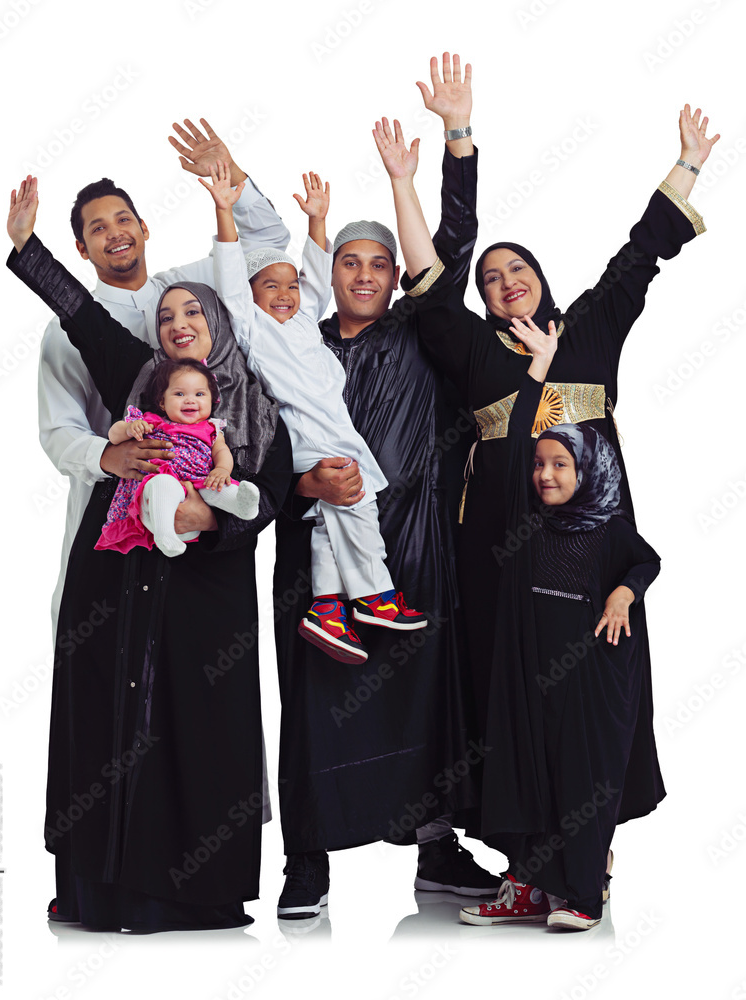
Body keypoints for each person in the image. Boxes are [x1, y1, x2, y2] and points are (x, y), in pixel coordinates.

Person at [375, 103, 715, 841]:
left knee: (595, 679)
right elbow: (429, 282)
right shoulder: (473, 350)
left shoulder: (587, 329)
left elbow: (639, 252)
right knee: (510, 691)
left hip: (592, 550)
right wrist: (411, 174)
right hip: (499, 549)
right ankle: (525, 860)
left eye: (515, 269)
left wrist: (687, 161)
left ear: (538, 277)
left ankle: (590, 858)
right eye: (491, 277)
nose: (502, 282)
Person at [7, 178, 291, 931]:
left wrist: (230, 193)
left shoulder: (246, 386)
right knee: (108, 719)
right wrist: (25, 249)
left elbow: (273, 486)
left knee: (203, 718)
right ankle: (101, 886)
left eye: (195, 312)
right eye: (96, 227)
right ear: (83, 245)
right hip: (116, 548)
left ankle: (198, 890)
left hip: (210, 576)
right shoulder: (137, 370)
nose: (180, 321)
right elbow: (79, 335)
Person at [272, 54, 501, 919]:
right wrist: (301, 480)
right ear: (328, 271)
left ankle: (435, 850)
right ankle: (306, 860)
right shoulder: (294, 345)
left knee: (426, 693)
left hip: (417, 543)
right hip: (318, 547)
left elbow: (454, 239)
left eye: (378, 262)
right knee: (316, 699)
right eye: (350, 261)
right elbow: (255, 446)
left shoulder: (418, 328)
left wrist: (450, 141)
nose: (365, 273)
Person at [39, 117, 290, 630]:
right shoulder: (69, 327)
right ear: (82, 250)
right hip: (114, 497)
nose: (116, 233)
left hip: (202, 499)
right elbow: (59, 431)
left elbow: (266, 245)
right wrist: (112, 455)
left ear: (144, 227)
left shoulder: (185, 290)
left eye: (123, 219)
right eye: (98, 228)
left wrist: (229, 174)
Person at [455, 316, 661, 930]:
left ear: (586, 470)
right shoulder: (525, 524)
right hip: (528, 672)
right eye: (540, 465)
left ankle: (582, 897)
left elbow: (646, 561)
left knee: (581, 783)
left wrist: (624, 592)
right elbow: (517, 435)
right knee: (522, 775)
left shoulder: (606, 524)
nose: (545, 474)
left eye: (559, 465)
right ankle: (526, 888)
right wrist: (537, 371)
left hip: (592, 679)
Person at [201, 162, 427, 663]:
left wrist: (318, 224)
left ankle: (327, 609)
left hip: (329, 432)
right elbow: (232, 279)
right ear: (250, 296)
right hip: (313, 437)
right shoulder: (253, 329)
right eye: (270, 287)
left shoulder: (304, 321)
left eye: (290, 285)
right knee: (359, 503)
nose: (284, 294)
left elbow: (316, 279)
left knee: (330, 520)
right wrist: (224, 210)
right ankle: (375, 594)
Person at [97, 358, 260, 558]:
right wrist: (129, 428)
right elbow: (113, 435)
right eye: (179, 393)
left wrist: (222, 470)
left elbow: (221, 452)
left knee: (217, 484)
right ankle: (165, 535)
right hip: (156, 499)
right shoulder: (151, 421)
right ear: (162, 403)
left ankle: (241, 506)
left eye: (200, 394)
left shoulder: (212, 429)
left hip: (196, 491)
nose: (190, 400)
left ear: (212, 400)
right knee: (163, 483)